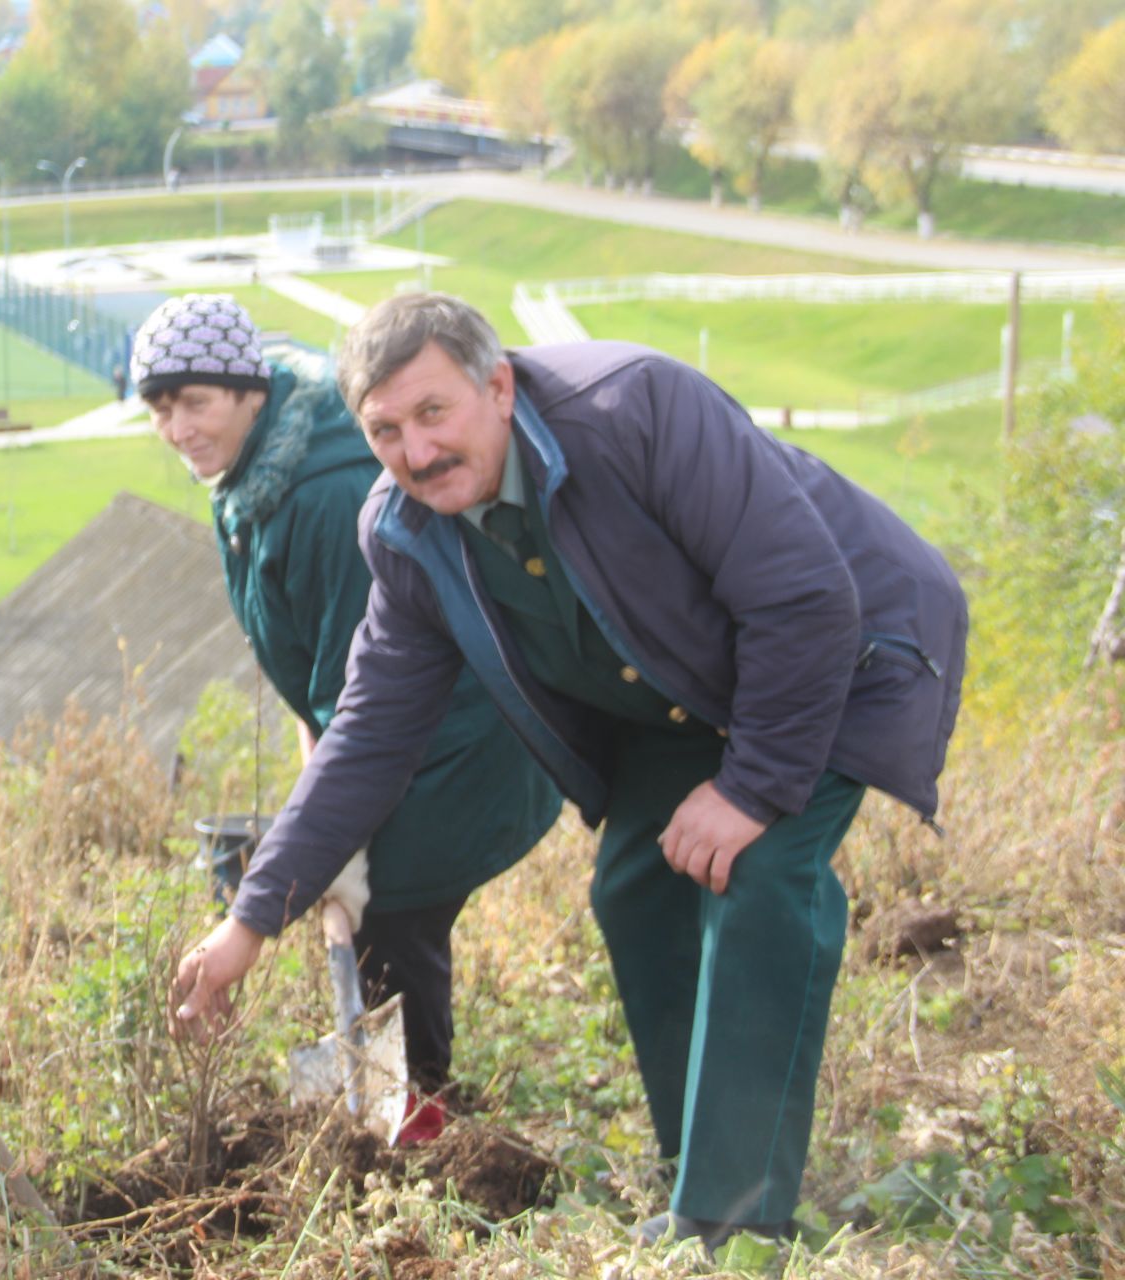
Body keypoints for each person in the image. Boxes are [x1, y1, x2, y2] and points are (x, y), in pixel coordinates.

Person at [171, 293, 967, 1248]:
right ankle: (696, 1160)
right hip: (690, 685)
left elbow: (803, 595)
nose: (414, 452)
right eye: (384, 430)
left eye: (434, 414)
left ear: (498, 386)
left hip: (842, 649)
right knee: (637, 884)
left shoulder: (637, 413)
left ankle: (738, 1224)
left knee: (758, 873)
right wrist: (251, 920)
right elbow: (369, 732)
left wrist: (750, 790)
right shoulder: (407, 532)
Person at [131, 294, 559, 1140]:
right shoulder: (255, 481)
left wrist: (343, 834)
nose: (177, 427)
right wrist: (318, 800)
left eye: (195, 402)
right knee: (378, 912)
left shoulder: (319, 498)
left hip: (460, 737)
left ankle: (417, 1117)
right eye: (159, 409)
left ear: (250, 391)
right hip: (395, 735)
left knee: (394, 905)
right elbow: (322, 680)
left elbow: (366, 686)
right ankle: (402, 1101)